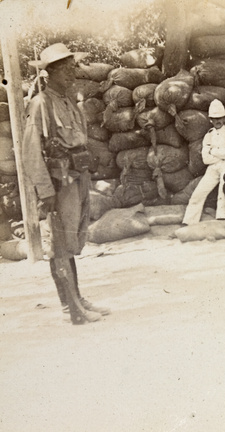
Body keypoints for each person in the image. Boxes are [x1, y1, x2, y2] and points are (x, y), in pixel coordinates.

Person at [23, 43, 110, 325]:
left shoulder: (68, 102)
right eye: (66, 69)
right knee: (60, 244)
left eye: (73, 67)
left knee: (71, 241)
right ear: (50, 73)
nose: (72, 73)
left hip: (77, 177)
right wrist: (45, 191)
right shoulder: (41, 104)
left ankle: (76, 299)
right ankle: (71, 308)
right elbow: (30, 151)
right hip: (59, 184)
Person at [182, 99, 225, 224]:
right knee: (198, 193)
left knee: (223, 191)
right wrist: (221, 153)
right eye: (214, 118)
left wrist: (213, 151)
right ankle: (189, 221)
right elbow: (205, 159)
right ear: (210, 120)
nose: (217, 121)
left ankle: (222, 219)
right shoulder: (208, 135)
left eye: (220, 118)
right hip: (213, 167)